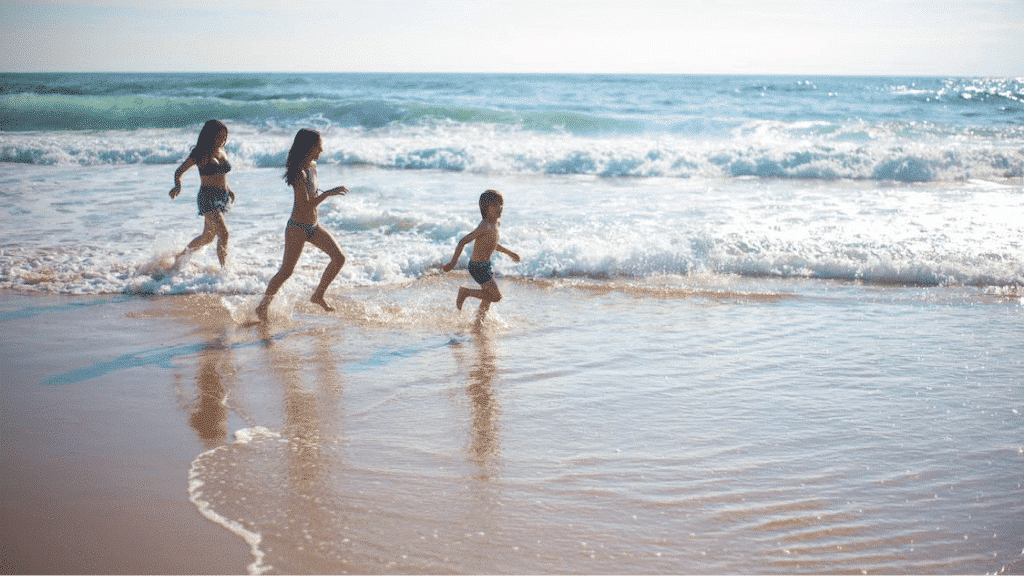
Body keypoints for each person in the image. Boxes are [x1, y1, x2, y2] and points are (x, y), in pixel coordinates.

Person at [256, 128, 348, 322]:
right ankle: (262, 307)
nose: (321, 150)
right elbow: (305, 204)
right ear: (309, 147)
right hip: (297, 228)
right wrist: (327, 194)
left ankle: (318, 295)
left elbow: (312, 193)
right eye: (318, 146)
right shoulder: (299, 172)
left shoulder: (312, 165)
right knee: (286, 272)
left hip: (313, 226)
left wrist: (321, 193)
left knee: (339, 258)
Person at [441, 190, 520, 317]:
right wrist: (452, 264)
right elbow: (462, 242)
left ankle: (478, 322)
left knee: (487, 298)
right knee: (496, 296)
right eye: (495, 205)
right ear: (485, 208)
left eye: (501, 204)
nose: (499, 207)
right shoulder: (485, 226)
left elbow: (493, 244)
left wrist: (510, 253)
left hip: (486, 266)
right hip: (477, 267)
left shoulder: (496, 224)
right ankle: (465, 292)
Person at [169, 119, 236, 267]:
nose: (223, 140)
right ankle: (225, 271)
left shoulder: (222, 150)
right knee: (224, 233)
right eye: (219, 136)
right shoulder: (200, 153)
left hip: (222, 198)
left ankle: (180, 256)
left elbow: (221, 175)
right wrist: (177, 186)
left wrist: (229, 189)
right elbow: (179, 171)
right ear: (210, 136)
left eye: (225, 137)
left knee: (207, 237)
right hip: (208, 198)